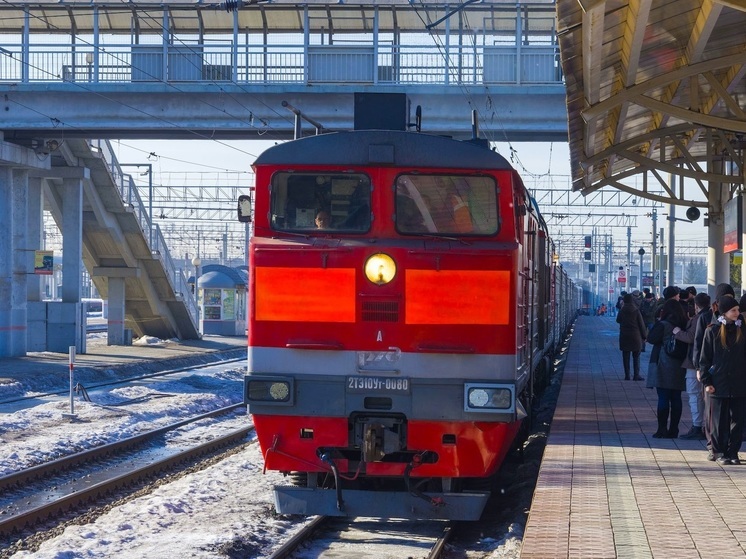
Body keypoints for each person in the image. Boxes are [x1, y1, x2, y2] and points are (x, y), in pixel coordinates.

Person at [698, 295, 746, 465]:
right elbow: (704, 359)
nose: (737, 313)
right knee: (719, 421)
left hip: (739, 383)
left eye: (738, 310)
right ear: (724, 312)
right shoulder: (712, 331)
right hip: (718, 383)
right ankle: (719, 452)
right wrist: (707, 381)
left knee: (737, 420)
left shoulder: (743, 330)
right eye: (733, 310)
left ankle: (733, 452)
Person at [646, 298, 688, 438]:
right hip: (679, 365)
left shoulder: (663, 324)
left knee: (663, 397)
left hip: (663, 364)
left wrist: (657, 321)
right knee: (676, 397)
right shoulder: (684, 324)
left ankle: (662, 429)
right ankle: (674, 429)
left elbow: (651, 339)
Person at [676, 292, 710, 440]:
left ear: (696, 305)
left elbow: (692, 339)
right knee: (704, 397)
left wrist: (678, 333)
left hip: (694, 362)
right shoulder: (710, 315)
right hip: (707, 362)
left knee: (694, 395)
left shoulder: (699, 318)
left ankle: (697, 426)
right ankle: (705, 427)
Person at [616, 293, 647, 380]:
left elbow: (618, 320)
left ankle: (627, 375)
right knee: (636, 356)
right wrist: (644, 336)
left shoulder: (622, 310)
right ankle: (636, 375)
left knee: (625, 356)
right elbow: (641, 324)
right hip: (635, 336)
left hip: (624, 335)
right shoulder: (636, 310)